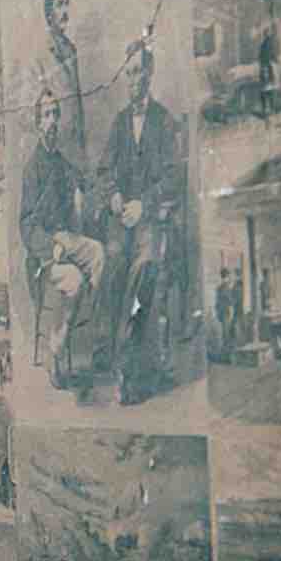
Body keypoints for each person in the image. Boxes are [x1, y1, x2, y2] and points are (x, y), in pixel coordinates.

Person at [99, 40, 185, 404]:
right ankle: (115, 358)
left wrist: (143, 203)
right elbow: (104, 170)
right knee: (113, 265)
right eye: (129, 72)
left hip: (150, 219)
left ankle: (133, 368)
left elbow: (172, 178)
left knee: (144, 269)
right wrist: (114, 195)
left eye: (140, 71)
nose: (134, 79)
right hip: (121, 221)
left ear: (150, 75)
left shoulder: (163, 121)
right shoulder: (119, 123)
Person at [21, 89, 106, 381]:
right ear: (38, 124)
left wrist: (88, 191)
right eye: (47, 115)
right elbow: (27, 226)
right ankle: (56, 348)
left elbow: (84, 180)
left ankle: (92, 334)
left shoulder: (59, 161)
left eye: (56, 113)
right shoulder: (32, 170)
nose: (53, 121)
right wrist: (50, 247)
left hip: (67, 239)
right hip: (46, 254)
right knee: (76, 280)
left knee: (98, 254)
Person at [41, 0, 87, 158]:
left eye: (67, 4)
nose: (65, 11)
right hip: (56, 149)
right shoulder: (42, 51)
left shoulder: (71, 49)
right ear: (49, 13)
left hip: (75, 147)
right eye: (60, 5)